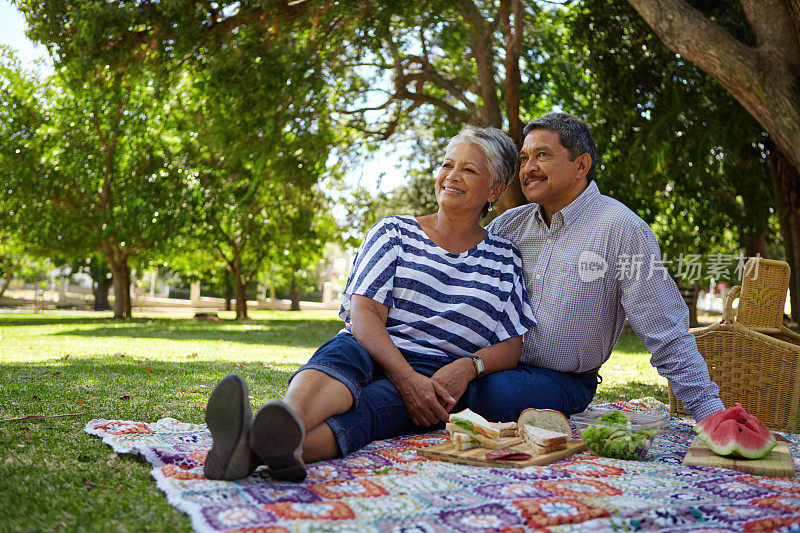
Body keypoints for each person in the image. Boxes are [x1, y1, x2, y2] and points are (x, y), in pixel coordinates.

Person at [202, 126, 536, 482]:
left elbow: (511, 345)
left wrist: (468, 367)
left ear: (495, 189)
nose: (451, 177)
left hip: (430, 376)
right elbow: (364, 314)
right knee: (341, 357)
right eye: (447, 164)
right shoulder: (393, 232)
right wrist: (403, 376)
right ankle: (288, 421)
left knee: (371, 412)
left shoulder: (504, 259)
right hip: (368, 345)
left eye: (469, 170)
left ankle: (251, 449)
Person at [459, 111, 724, 423]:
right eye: (524, 158)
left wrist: (710, 413)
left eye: (542, 155)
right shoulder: (508, 226)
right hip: (490, 362)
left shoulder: (621, 228)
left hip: (561, 381)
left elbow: (665, 329)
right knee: (431, 370)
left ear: (581, 165)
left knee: (493, 393)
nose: (528, 168)